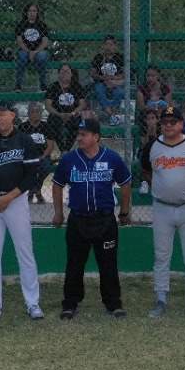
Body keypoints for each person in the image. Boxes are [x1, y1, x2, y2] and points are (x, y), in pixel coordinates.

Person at [51, 117, 132, 320]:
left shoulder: (111, 158)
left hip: (104, 219)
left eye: (84, 134)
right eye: (78, 134)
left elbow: (125, 183)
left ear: (96, 136)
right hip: (78, 219)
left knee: (108, 264)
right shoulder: (69, 159)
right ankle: (70, 303)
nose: (79, 138)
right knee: (74, 264)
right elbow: (57, 184)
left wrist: (124, 211)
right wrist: (59, 212)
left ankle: (113, 303)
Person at [0, 101, 44, 323]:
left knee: (25, 253)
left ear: (13, 115)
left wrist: (9, 197)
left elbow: (32, 175)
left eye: (2, 114)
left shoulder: (25, 140)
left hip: (17, 201)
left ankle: (32, 303)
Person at [140, 105, 185, 318]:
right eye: (165, 122)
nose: (168, 125)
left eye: (173, 122)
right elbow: (145, 170)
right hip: (162, 207)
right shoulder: (152, 146)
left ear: (182, 124)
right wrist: (162, 189)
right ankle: (161, 299)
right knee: (161, 256)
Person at [45, 63, 88, 155]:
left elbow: (82, 104)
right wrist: (59, 114)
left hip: (73, 114)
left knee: (77, 122)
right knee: (53, 122)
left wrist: (73, 113)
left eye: (67, 71)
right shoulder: (53, 87)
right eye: (62, 71)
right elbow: (48, 105)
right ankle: (62, 149)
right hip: (57, 114)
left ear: (71, 74)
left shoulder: (77, 86)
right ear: (58, 73)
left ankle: (66, 150)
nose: (65, 73)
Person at [19, 102, 55, 203]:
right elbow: (20, 145)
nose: (35, 114)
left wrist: (43, 156)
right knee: (29, 168)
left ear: (41, 113)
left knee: (46, 167)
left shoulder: (46, 126)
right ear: (29, 113)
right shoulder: (23, 127)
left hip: (43, 156)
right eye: (33, 112)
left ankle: (34, 190)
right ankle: (37, 191)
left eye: (38, 111)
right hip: (28, 157)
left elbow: (50, 145)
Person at [89, 36, 126, 124]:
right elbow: (93, 73)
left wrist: (113, 79)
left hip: (115, 83)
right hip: (101, 82)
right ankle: (110, 113)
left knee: (119, 92)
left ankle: (112, 111)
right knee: (99, 89)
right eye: (106, 44)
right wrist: (103, 78)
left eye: (111, 44)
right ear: (103, 46)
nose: (108, 47)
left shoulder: (120, 57)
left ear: (115, 46)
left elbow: (125, 74)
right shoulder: (98, 57)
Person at [14, 3, 50, 91]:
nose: (32, 13)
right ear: (26, 12)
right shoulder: (21, 25)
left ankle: (43, 84)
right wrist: (29, 51)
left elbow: (45, 42)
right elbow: (19, 41)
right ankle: (18, 85)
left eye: (34, 11)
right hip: (25, 50)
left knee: (42, 57)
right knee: (22, 57)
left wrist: (35, 52)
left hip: (39, 51)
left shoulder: (42, 25)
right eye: (29, 11)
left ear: (37, 13)